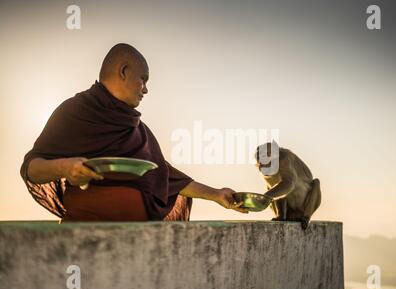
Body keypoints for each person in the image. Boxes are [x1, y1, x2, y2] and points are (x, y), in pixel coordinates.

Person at [20, 43, 247, 222]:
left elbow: (166, 178)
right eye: (143, 79)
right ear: (124, 71)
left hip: (138, 244)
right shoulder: (75, 110)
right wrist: (64, 167)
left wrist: (217, 195)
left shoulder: (138, 129)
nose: (146, 89)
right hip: (83, 238)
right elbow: (32, 168)